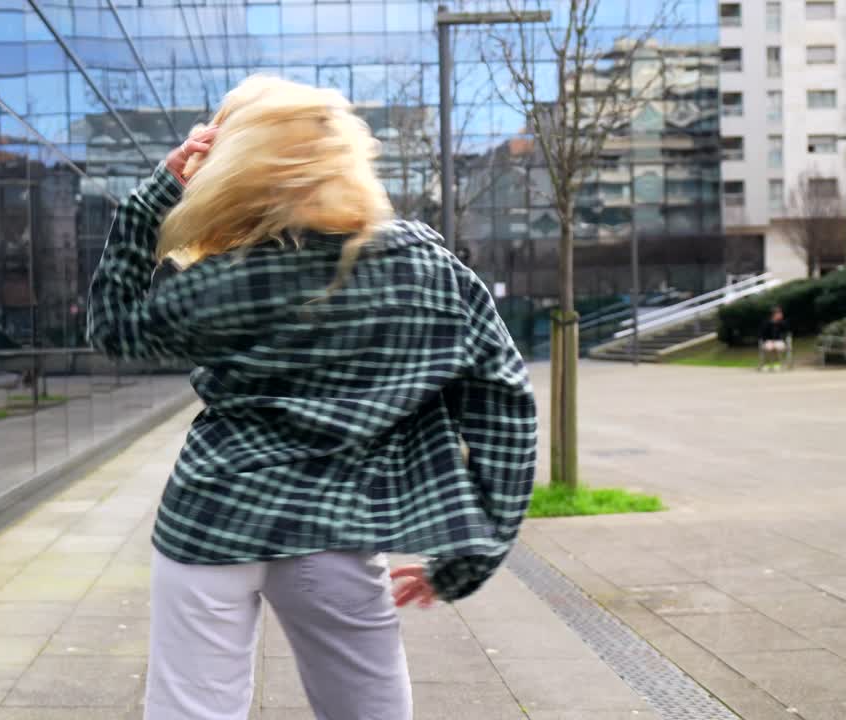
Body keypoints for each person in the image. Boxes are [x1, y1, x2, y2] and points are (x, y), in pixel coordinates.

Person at [87, 75, 537, 720]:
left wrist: (155, 195)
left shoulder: (223, 280)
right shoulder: (429, 273)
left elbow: (115, 328)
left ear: (235, 169)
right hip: (336, 525)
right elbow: (503, 405)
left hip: (212, 515)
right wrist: (477, 548)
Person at [760, 306, 790, 371]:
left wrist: (780, 323)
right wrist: (767, 341)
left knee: (778, 347)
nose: (781, 315)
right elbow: (763, 334)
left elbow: (786, 332)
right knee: (769, 348)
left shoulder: (782, 323)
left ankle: (777, 364)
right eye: (779, 314)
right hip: (768, 341)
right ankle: (766, 364)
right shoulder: (767, 323)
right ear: (774, 315)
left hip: (779, 341)